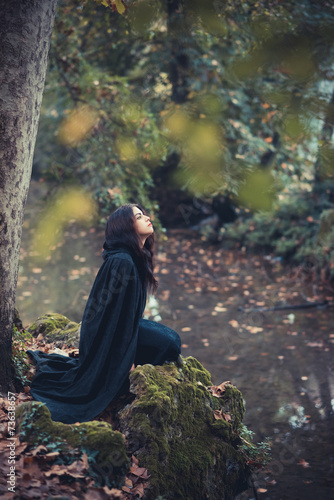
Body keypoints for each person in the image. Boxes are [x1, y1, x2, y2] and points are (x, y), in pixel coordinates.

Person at [26, 203, 181, 424]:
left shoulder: (132, 258)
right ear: (126, 227)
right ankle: (120, 381)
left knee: (171, 340)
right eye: (139, 216)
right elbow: (109, 319)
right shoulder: (122, 262)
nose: (147, 217)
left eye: (143, 213)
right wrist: (124, 362)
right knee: (169, 343)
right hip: (110, 337)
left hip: (125, 327)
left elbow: (124, 313)